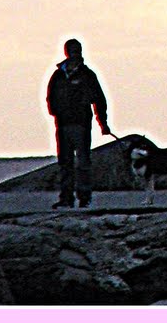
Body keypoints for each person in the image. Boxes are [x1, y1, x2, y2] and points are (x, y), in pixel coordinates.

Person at [45, 38, 111, 209]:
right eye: (73, 50)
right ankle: (66, 198)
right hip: (63, 124)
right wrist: (55, 112)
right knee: (65, 163)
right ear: (67, 52)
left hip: (81, 124)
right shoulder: (58, 75)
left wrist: (102, 122)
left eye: (78, 50)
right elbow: (50, 97)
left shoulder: (87, 75)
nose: (76, 53)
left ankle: (84, 197)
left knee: (83, 163)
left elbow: (99, 100)